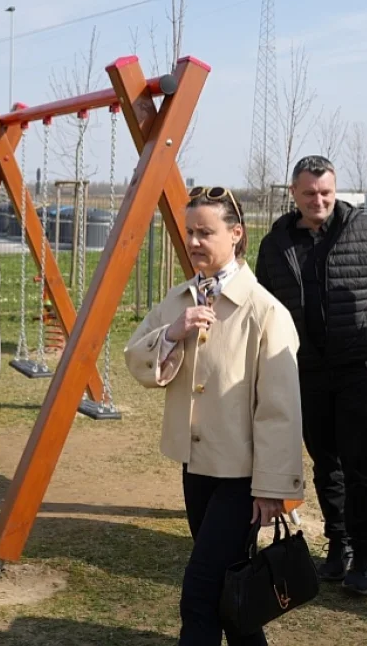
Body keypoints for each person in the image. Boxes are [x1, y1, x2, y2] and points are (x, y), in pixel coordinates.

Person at [126, 186, 304, 646]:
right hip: (196, 469)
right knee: (230, 590)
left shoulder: (266, 312)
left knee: (200, 594)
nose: (193, 241)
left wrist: (272, 488)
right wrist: (172, 333)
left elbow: (281, 411)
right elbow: (135, 358)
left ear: (236, 233)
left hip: (243, 479)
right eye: (189, 232)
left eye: (205, 232)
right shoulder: (180, 299)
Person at [255, 155, 367, 596]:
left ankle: (366, 552)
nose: (318, 200)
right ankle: (339, 545)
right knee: (325, 463)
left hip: (356, 366)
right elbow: (263, 307)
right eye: (309, 193)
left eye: (325, 192)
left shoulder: (364, 230)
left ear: (335, 191)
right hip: (305, 371)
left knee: (359, 463)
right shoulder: (276, 243)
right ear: (294, 193)